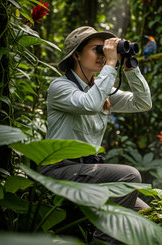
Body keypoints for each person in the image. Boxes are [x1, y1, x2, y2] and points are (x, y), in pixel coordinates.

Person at [40, 26, 152, 244]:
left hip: (89, 173)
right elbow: (90, 104)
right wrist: (110, 63)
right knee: (129, 176)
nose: (103, 55)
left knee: (147, 216)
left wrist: (129, 67)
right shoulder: (60, 87)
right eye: (97, 49)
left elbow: (143, 102)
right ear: (76, 54)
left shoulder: (102, 91)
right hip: (58, 171)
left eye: (106, 50)